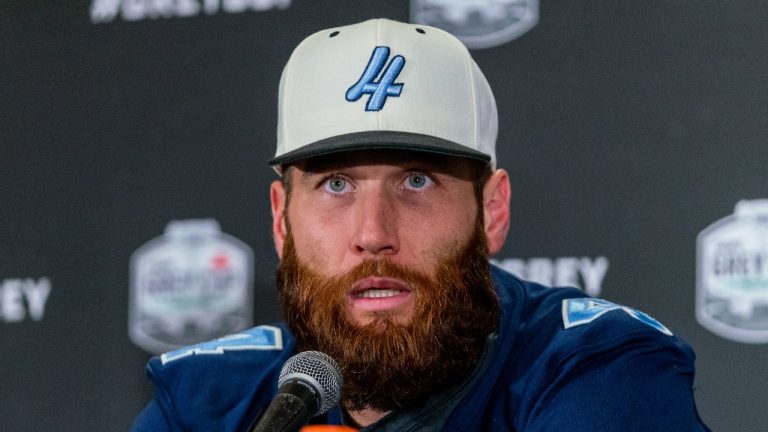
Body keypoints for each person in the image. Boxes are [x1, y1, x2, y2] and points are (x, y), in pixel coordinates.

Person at [132, 18, 710, 431]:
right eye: (336, 185)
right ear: (281, 220)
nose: (373, 232)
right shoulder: (205, 400)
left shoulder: (599, 368)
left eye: (417, 181)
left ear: (493, 210)